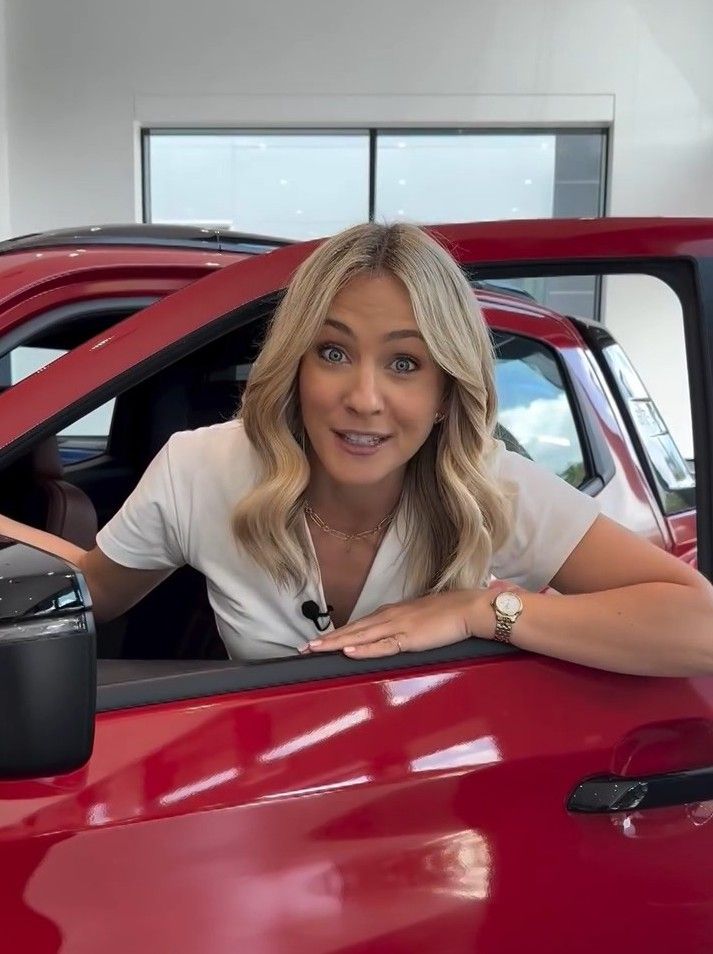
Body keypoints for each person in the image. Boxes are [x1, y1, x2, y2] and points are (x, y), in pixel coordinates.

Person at [2, 222, 713, 674]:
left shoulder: (492, 490)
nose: (364, 398)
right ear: (295, 364)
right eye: (333, 352)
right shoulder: (201, 469)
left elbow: (701, 626)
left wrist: (480, 612)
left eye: (404, 363)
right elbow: (93, 589)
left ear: (445, 392)